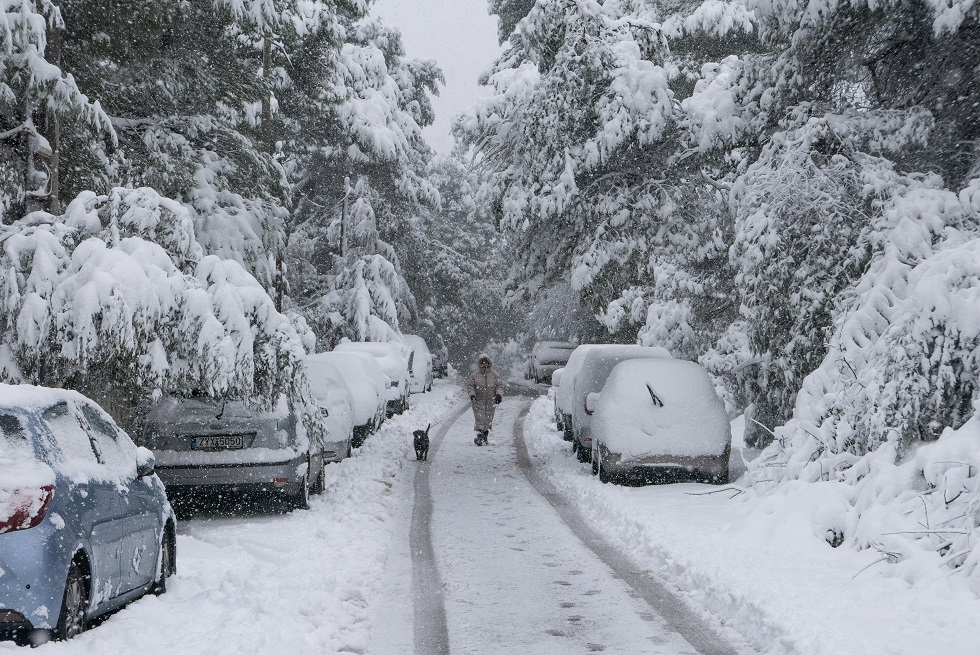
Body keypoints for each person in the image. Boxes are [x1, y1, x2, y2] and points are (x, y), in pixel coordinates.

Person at [466, 353, 502, 446]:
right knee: (480, 419)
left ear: (489, 363)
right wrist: (472, 395)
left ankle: (484, 436)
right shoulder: (474, 375)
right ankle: (479, 436)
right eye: (482, 363)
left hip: (491, 401)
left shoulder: (494, 375)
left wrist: (498, 395)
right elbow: (470, 386)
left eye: (486, 363)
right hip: (478, 401)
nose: (484, 365)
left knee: (488, 419)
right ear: (479, 364)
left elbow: (499, 386)